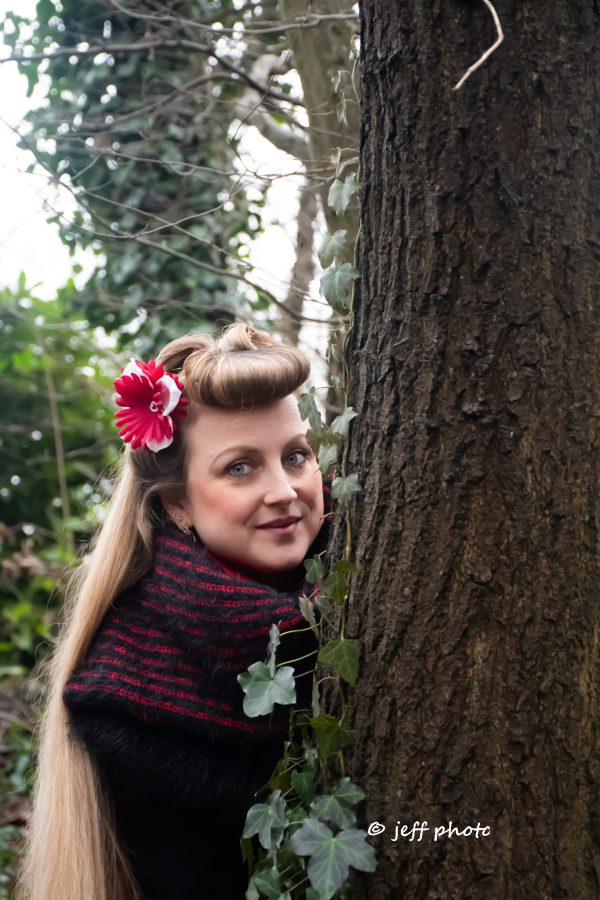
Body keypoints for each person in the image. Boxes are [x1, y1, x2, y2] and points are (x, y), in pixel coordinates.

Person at [16, 323, 332, 900]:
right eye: (240, 467)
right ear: (178, 502)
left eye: (295, 456)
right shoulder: (131, 703)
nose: (285, 490)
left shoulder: (364, 566)